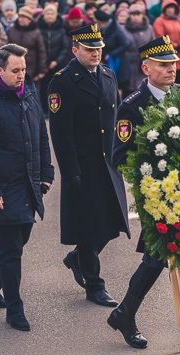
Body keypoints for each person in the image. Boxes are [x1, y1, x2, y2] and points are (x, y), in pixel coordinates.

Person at [108, 36, 180, 355]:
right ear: (146, 68)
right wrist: (157, 178)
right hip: (157, 199)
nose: (171, 69)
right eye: (163, 64)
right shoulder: (132, 105)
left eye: (173, 63)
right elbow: (119, 156)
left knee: (157, 260)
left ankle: (124, 313)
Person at [0, 43, 54, 332]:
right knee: (12, 249)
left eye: (24, 69)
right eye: (15, 71)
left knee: (19, 241)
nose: (21, 75)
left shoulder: (28, 92)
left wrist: (46, 172)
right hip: (1, 188)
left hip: (27, 183)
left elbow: (41, 133)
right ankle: (15, 310)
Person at [47, 24, 131, 307]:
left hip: (108, 163)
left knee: (110, 223)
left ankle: (76, 259)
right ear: (75, 50)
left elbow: (117, 119)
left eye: (98, 49)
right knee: (88, 227)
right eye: (89, 49)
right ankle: (95, 286)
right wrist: (70, 170)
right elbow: (60, 132)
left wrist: (123, 154)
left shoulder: (108, 74)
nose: (96, 53)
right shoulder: (63, 81)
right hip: (83, 165)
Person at [7, 6, 47, 90]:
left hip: (32, 69)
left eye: (24, 17)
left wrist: (41, 70)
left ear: (29, 19)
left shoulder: (36, 32)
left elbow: (41, 52)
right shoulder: (11, 31)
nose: (21, 19)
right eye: (20, 16)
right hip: (14, 68)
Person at [38, 3, 68, 110]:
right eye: (47, 13)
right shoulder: (39, 29)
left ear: (55, 15)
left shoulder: (61, 29)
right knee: (44, 88)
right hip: (43, 65)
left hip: (57, 64)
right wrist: (44, 62)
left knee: (57, 87)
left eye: (52, 13)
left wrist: (56, 61)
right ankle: (45, 109)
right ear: (44, 15)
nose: (49, 15)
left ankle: (57, 108)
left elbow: (65, 48)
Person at [94, 10, 131, 96]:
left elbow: (126, 44)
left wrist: (112, 54)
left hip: (119, 62)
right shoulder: (102, 30)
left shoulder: (116, 28)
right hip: (106, 61)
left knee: (118, 85)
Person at [120, 4, 155, 94]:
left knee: (143, 89)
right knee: (128, 91)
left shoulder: (149, 28)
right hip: (128, 64)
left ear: (142, 15)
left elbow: (152, 44)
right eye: (133, 14)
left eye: (138, 14)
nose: (135, 17)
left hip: (144, 63)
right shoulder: (123, 29)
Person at [153, 0, 180, 83]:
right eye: (168, 7)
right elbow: (161, 36)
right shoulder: (159, 21)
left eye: (172, 7)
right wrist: (175, 45)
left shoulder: (179, 20)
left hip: (179, 54)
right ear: (164, 9)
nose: (170, 9)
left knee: (179, 77)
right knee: (168, 78)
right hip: (167, 54)